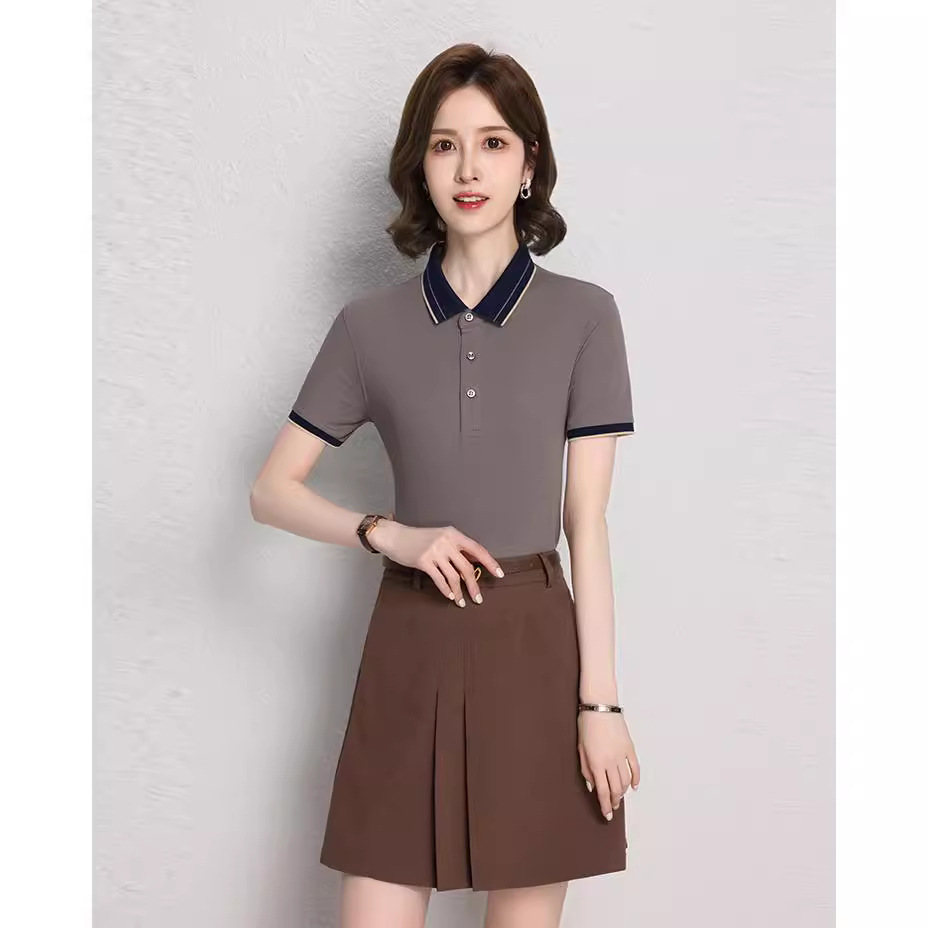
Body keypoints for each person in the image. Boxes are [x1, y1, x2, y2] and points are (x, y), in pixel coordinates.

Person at [250, 42, 642, 928]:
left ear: (529, 164)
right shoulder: (368, 327)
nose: (469, 169)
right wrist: (389, 533)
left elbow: (586, 523)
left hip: (536, 654)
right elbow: (271, 491)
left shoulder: (586, 315)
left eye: (494, 143)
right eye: (444, 145)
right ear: (419, 168)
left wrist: (601, 703)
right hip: (409, 644)